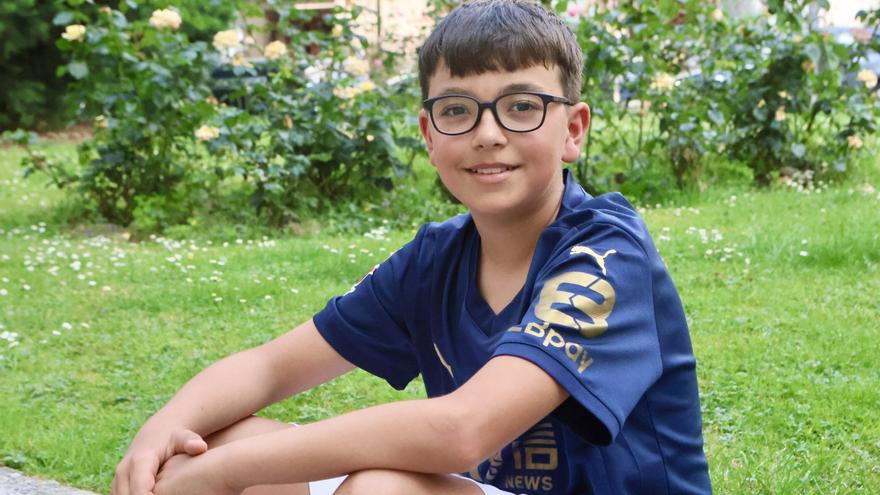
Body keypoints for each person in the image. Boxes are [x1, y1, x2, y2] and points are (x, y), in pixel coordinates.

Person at [111, 1, 712, 494]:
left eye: (522, 107)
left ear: (573, 130)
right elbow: (270, 367)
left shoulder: (605, 252)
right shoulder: (437, 259)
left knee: (378, 489)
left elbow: (462, 430)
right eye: (457, 110)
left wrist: (225, 474)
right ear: (429, 134)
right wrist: (166, 426)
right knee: (217, 438)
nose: (488, 134)